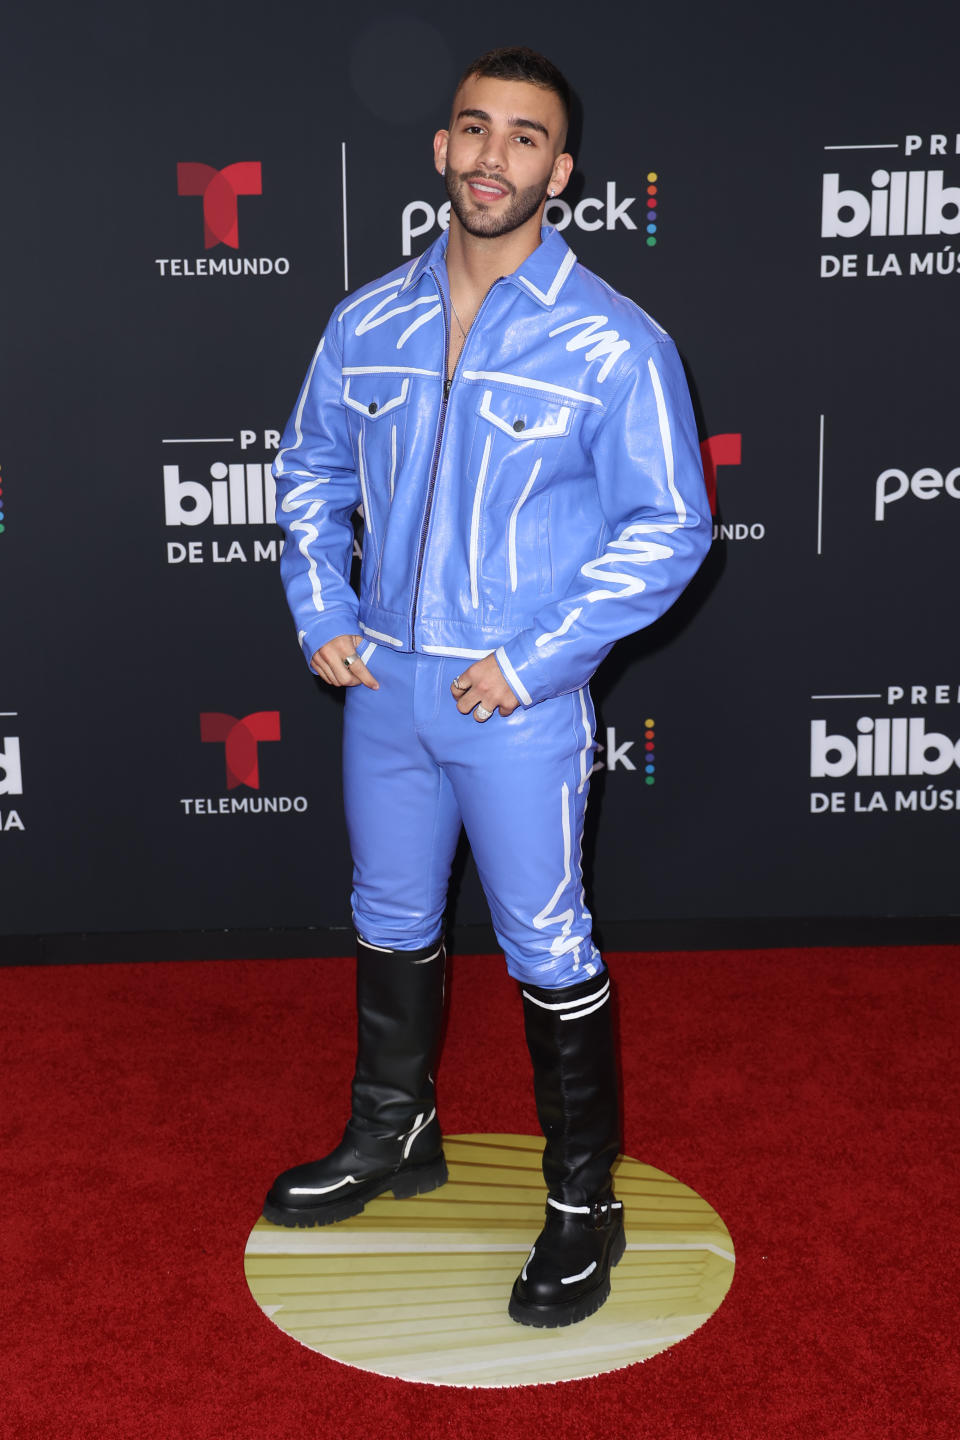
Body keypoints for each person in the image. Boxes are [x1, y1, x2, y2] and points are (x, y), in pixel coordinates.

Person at [264, 46, 711, 1328]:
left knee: (547, 947)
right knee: (389, 917)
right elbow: (308, 471)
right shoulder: (367, 321)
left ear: (560, 172)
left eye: (524, 138)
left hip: (515, 707)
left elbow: (671, 526)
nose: (491, 156)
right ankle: (393, 1137)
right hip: (384, 694)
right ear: (443, 149)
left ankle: (586, 1207)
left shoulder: (616, 342)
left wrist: (532, 660)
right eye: (474, 129)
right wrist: (323, 611)